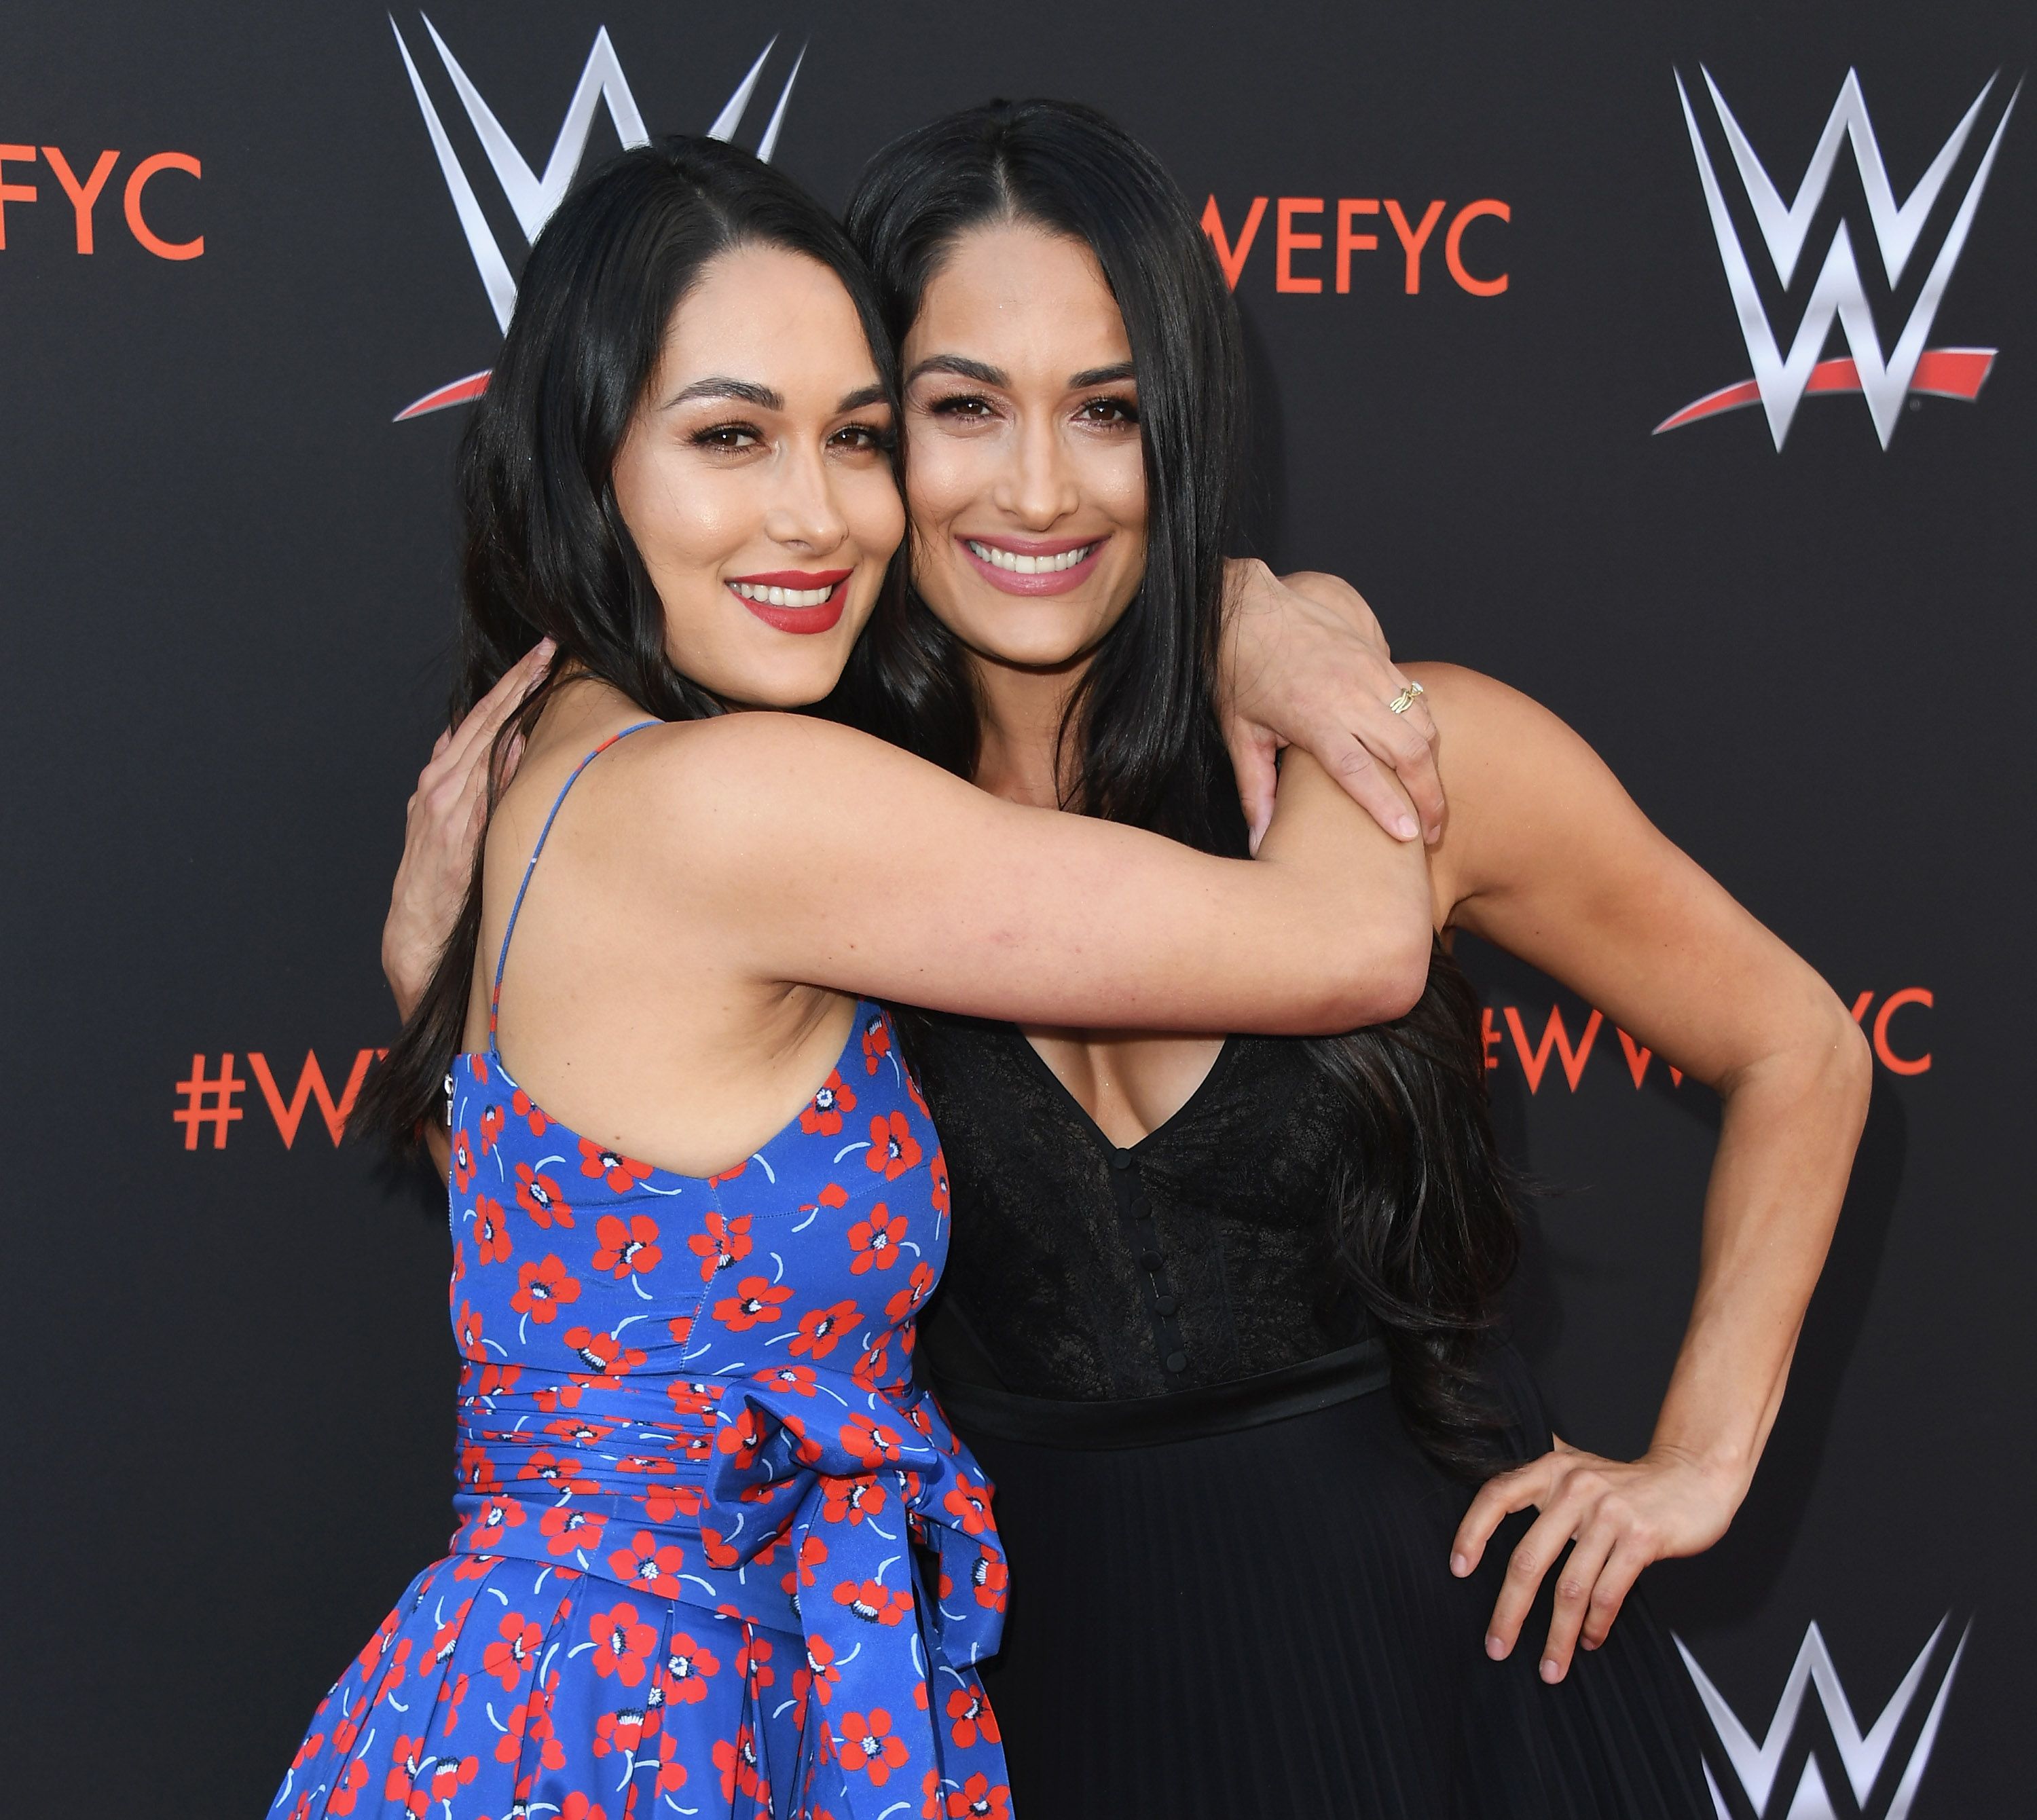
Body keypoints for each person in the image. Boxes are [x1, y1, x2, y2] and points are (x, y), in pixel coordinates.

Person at [384, 104, 1870, 1817]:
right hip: (1016, 1707)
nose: (1039, 487)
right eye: (955, 411)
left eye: (1110, 410)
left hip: (1432, 1683)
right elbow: (620, 1236)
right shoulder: (800, 827)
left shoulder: (1399, 763)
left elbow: (1803, 1048)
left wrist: (1699, 1457)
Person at [271, 135, 1440, 1820]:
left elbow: (605, 1283)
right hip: (642, 1733)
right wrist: (1282, 611)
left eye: (860, 438)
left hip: (575, 1701)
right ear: (585, 465)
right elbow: (1353, 941)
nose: (818, 516)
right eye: (730, 438)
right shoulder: (739, 800)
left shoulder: (576, 749)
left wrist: (430, 1006)